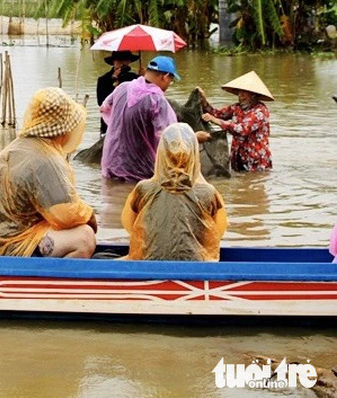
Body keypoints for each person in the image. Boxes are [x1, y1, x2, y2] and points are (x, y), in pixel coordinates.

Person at [0, 87, 96, 258]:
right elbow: (67, 215)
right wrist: (90, 217)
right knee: (84, 238)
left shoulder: (19, 147)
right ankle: (52, 284)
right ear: (64, 129)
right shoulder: (44, 158)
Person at [121, 123, 228, 261]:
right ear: (195, 155)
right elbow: (218, 231)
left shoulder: (143, 189)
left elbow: (130, 226)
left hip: (149, 262)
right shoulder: (208, 192)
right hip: (197, 265)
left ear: (161, 154)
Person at [100, 55, 181, 183]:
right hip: (140, 169)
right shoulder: (157, 100)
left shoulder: (122, 87)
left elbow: (104, 108)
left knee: (113, 199)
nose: (169, 84)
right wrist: (195, 138)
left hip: (111, 162)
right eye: (171, 80)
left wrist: (123, 125)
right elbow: (171, 136)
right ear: (165, 77)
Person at [199, 70, 273, 172]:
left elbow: (242, 129)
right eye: (239, 92)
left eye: (244, 92)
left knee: (254, 184)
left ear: (253, 95)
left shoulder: (260, 111)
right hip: (238, 158)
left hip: (256, 162)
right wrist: (203, 101)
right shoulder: (236, 108)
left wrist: (217, 121)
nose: (240, 95)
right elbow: (216, 114)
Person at [96, 51, 140, 135]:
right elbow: (101, 102)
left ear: (129, 62)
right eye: (119, 61)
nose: (123, 64)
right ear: (113, 62)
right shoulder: (103, 80)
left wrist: (145, 79)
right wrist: (114, 83)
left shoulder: (134, 78)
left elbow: (141, 99)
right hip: (109, 124)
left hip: (130, 123)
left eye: (125, 61)